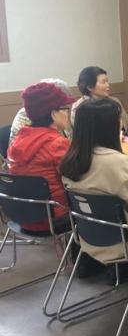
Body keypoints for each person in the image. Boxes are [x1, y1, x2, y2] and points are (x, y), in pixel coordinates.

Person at [60, 98, 128, 283]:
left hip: (89, 237)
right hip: (127, 240)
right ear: (108, 126)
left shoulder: (70, 160)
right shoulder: (116, 163)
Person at [7, 82, 76, 232]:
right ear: (53, 113)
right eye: (65, 109)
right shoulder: (57, 143)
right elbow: (76, 179)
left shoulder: (17, 141)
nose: (68, 113)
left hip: (22, 217)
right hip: (52, 219)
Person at [9, 78, 73, 148]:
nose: (67, 110)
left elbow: (69, 137)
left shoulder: (56, 115)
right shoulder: (28, 114)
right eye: (64, 106)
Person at [70, 66, 128, 130]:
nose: (108, 85)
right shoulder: (79, 108)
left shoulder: (115, 101)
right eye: (103, 82)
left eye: (107, 81)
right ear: (89, 87)